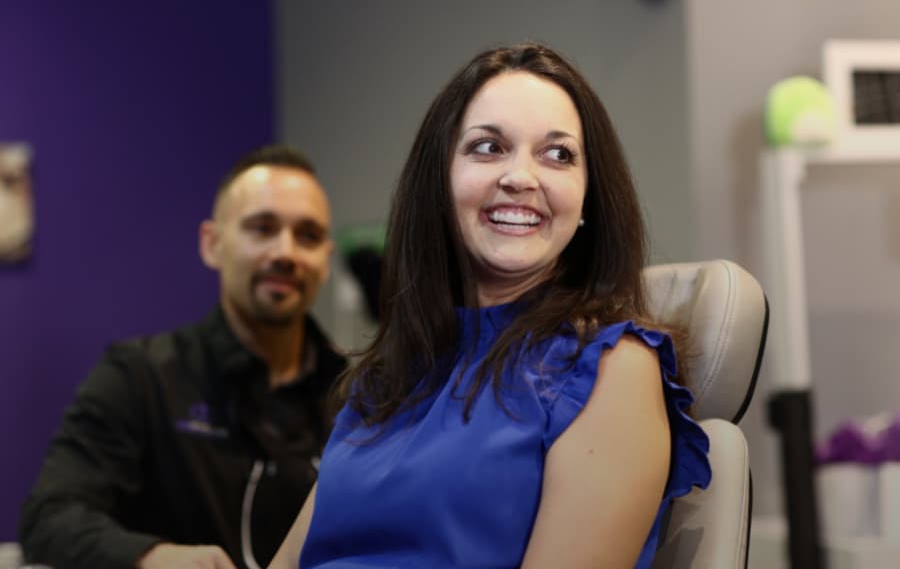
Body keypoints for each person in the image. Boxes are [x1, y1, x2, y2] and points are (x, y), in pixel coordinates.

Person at [269, 43, 712, 569]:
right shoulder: (390, 372)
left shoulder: (611, 368)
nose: (521, 177)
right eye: (488, 147)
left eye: (558, 154)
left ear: (588, 198)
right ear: (440, 180)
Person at [19, 145, 347, 569]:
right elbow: (48, 518)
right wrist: (152, 557)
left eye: (308, 235)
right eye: (262, 228)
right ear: (212, 244)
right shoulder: (140, 378)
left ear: (325, 257)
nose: (284, 252)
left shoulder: (362, 395)